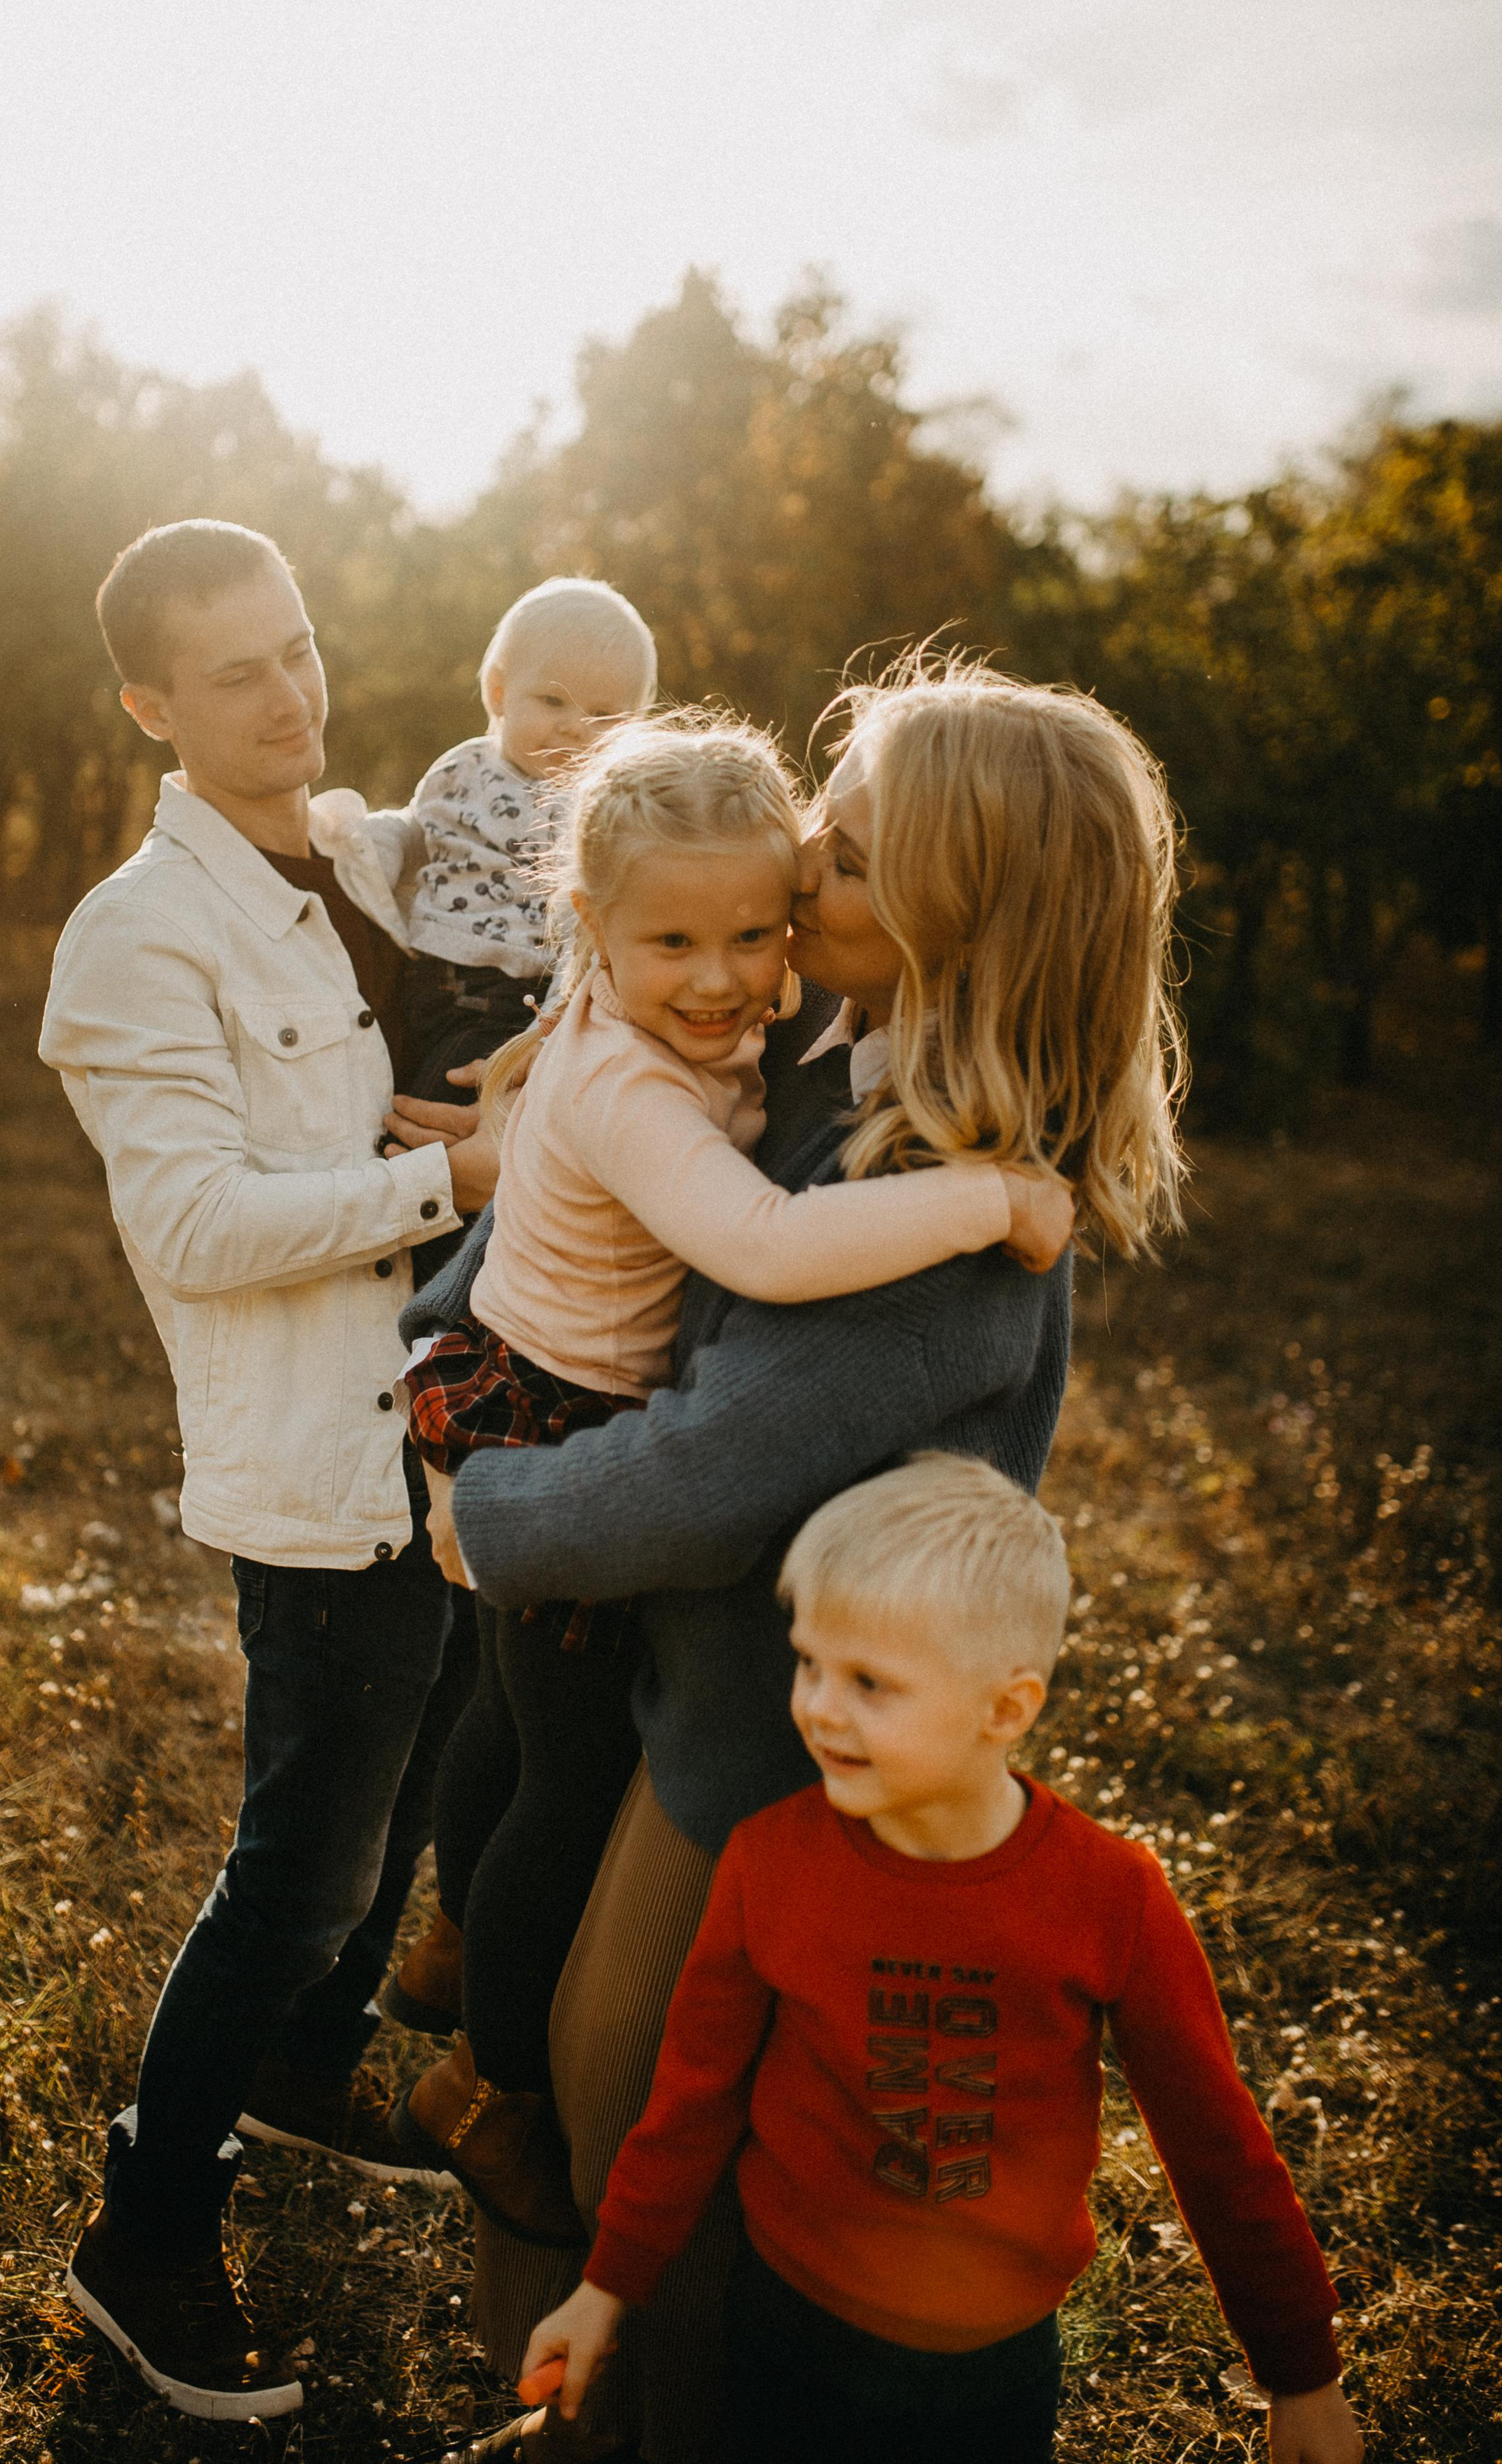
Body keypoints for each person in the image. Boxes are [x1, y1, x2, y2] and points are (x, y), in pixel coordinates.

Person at [405, 651, 1189, 2464]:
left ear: (959, 915)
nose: (803, 859)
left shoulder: (950, 1206)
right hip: (663, 1669)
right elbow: (577, 1215)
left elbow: (711, 1466)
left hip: (762, 1738)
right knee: (563, 2050)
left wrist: (490, 1511)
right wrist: (449, 1354)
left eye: (847, 850)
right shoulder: (810, 1049)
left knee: (638, 2131)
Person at [38, 519, 497, 2423]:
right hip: (326, 1464)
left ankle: (309, 2067)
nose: (290, 695)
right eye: (235, 672)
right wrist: (445, 1178)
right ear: (150, 702)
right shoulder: (139, 935)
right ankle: (143, 2235)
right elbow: (200, 1224)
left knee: (408, 1817)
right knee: (301, 1867)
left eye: (298, 649)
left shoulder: (384, 853)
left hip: (476, 1436)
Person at [522, 1455, 1362, 2464]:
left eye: (870, 1682)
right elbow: (691, 2099)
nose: (821, 1708)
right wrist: (607, 2287)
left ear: (1006, 1708)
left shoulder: (1109, 1899)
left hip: (991, 2368)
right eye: (811, 1663)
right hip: (788, 2329)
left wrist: (1302, 2373)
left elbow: (1216, 2142)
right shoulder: (772, 1859)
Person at [368, 576, 660, 1110]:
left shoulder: (602, 808)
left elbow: (586, 919)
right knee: (401, 1084)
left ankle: (438, 1178)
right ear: (499, 693)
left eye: (602, 716)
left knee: (460, 1095)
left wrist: (557, 1019)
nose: (575, 728)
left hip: (518, 997)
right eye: (553, 701)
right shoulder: (465, 767)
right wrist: (373, 845)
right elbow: (422, 831)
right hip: (432, 973)